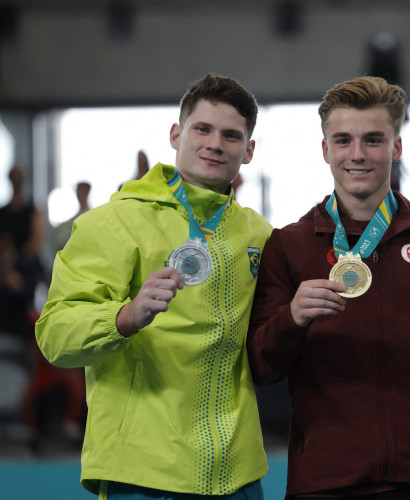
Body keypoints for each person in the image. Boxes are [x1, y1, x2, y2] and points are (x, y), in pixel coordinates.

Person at [247, 75, 410, 500]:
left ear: (396, 147)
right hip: (323, 483)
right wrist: (290, 318)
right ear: (325, 149)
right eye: (343, 140)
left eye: (373, 139)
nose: (358, 155)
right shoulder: (289, 245)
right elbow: (262, 367)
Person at [35, 73, 272, 499]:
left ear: (249, 150)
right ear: (176, 134)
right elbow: (55, 334)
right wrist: (124, 317)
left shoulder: (258, 235)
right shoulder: (114, 222)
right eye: (202, 129)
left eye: (231, 135)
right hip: (144, 472)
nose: (215, 143)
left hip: (238, 473)